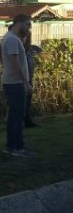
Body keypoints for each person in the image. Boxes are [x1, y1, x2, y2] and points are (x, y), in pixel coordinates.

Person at [3, 14, 34, 157]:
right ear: (20, 23)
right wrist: (25, 82)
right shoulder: (12, 40)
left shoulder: (10, 38)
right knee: (17, 116)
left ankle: (10, 147)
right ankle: (18, 148)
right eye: (27, 25)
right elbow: (15, 63)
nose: (29, 28)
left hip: (12, 82)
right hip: (16, 83)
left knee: (13, 116)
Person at [21, 31, 40, 128]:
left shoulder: (31, 49)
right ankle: (20, 121)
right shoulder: (20, 48)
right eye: (25, 36)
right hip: (21, 79)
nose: (27, 39)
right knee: (21, 102)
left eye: (28, 37)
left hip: (29, 77)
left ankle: (27, 120)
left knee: (28, 100)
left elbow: (39, 51)